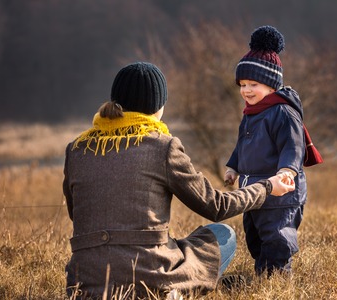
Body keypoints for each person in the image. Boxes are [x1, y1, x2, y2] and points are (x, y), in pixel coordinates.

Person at [63, 61, 295, 298]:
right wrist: (267, 187)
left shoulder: (77, 149)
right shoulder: (163, 147)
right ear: (158, 106)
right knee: (223, 235)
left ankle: (191, 284)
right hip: (150, 279)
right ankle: (179, 290)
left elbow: (77, 215)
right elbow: (216, 207)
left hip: (84, 285)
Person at [224, 25, 318, 277]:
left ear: (271, 85)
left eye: (254, 83)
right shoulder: (250, 114)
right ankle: (263, 274)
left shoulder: (283, 112)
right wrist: (233, 166)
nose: (246, 90)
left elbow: (293, 146)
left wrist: (287, 170)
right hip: (253, 191)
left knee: (276, 237)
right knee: (255, 237)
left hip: (281, 194)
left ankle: (276, 279)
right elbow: (242, 144)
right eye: (242, 84)